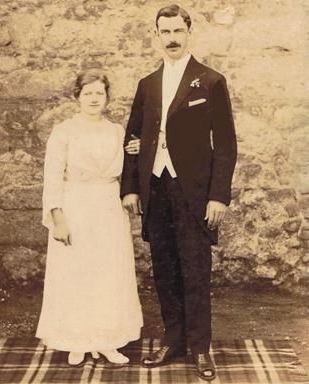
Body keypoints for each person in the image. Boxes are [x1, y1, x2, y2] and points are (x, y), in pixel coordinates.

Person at [121, 4, 237, 381]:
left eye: (177, 31)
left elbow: (226, 144)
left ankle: (200, 348)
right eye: (164, 32)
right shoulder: (147, 84)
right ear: (156, 35)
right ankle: (174, 340)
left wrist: (218, 196)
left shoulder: (210, 81)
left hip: (195, 193)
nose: (171, 38)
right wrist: (131, 188)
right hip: (155, 190)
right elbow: (132, 138)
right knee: (165, 270)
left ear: (188, 33)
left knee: (195, 270)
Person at [36, 69, 143, 366]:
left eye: (99, 93)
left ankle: (107, 340)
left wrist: (137, 149)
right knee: (78, 272)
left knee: (108, 273)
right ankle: (77, 340)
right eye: (88, 93)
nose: (94, 98)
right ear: (77, 97)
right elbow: (53, 177)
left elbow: (131, 167)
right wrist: (57, 218)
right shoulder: (64, 131)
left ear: (107, 97)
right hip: (76, 206)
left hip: (108, 208)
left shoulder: (116, 132)